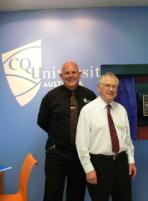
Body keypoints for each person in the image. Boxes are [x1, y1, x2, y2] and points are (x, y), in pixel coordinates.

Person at [37, 61, 96, 201]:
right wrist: (59, 135)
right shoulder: (51, 96)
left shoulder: (90, 96)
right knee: (52, 194)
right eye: (67, 73)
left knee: (76, 195)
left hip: (80, 156)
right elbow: (42, 121)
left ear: (80, 74)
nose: (70, 75)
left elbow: (95, 124)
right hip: (56, 154)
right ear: (61, 76)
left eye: (73, 72)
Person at [76, 72, 137, 201]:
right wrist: (88, 169)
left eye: (114, 86)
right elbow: (81, 144)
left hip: (121, 163)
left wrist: (131, 160)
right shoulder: (88, 111)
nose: (111, 89)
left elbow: (127, 139)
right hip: (99, 165)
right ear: (99, 87)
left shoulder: (121, 109)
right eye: (107, 85)